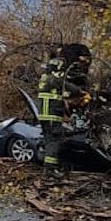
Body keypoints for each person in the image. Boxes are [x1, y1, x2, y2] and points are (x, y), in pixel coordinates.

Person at [36, 43, 91, 171]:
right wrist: (81, 93)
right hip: (52, 113)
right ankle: (50, 169)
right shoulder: (55, 78)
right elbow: (67, 86)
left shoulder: (45, 77)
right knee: (54, 140)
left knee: (49, 138)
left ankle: (44, 160)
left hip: (46, 113)